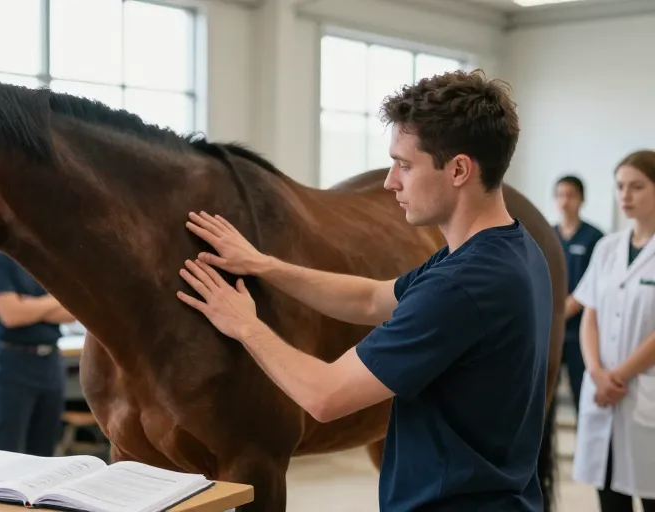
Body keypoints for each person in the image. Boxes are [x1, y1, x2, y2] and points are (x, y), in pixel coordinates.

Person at [176, 70, 552, 511]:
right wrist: (265, 265)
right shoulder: (509, 248)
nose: (391, 181)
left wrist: (245, 325)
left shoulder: (463, 284)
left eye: (405, 165)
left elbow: (325, 395)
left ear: (458, 169)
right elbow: (372, 298)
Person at [571, 150, 655, 511]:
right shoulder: (607, 248)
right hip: (602, 390)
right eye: (620, 186)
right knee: (610, 499)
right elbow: (590, 313)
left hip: (640, 391)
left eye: (637, 186)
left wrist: (617, 376)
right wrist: (596, 372)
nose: (625, 195)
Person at [0, 250, 76, 456]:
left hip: (51, 363)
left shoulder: (47, 258)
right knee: (4, 450)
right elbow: (11, 315)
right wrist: (55, 300)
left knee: (45, 451)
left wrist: (27, 305)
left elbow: (71, 312)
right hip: (13, 363)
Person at [553, 175, 604, 415]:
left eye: (570, 195)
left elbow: (596, 284)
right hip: (551, 332)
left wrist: (565, 311)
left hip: (580, 332)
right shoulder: (547, 235)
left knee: (581, 396)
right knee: (544, 401)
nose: (565, 201)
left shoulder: (595, 238)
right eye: (560, 195)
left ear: (581, 199)